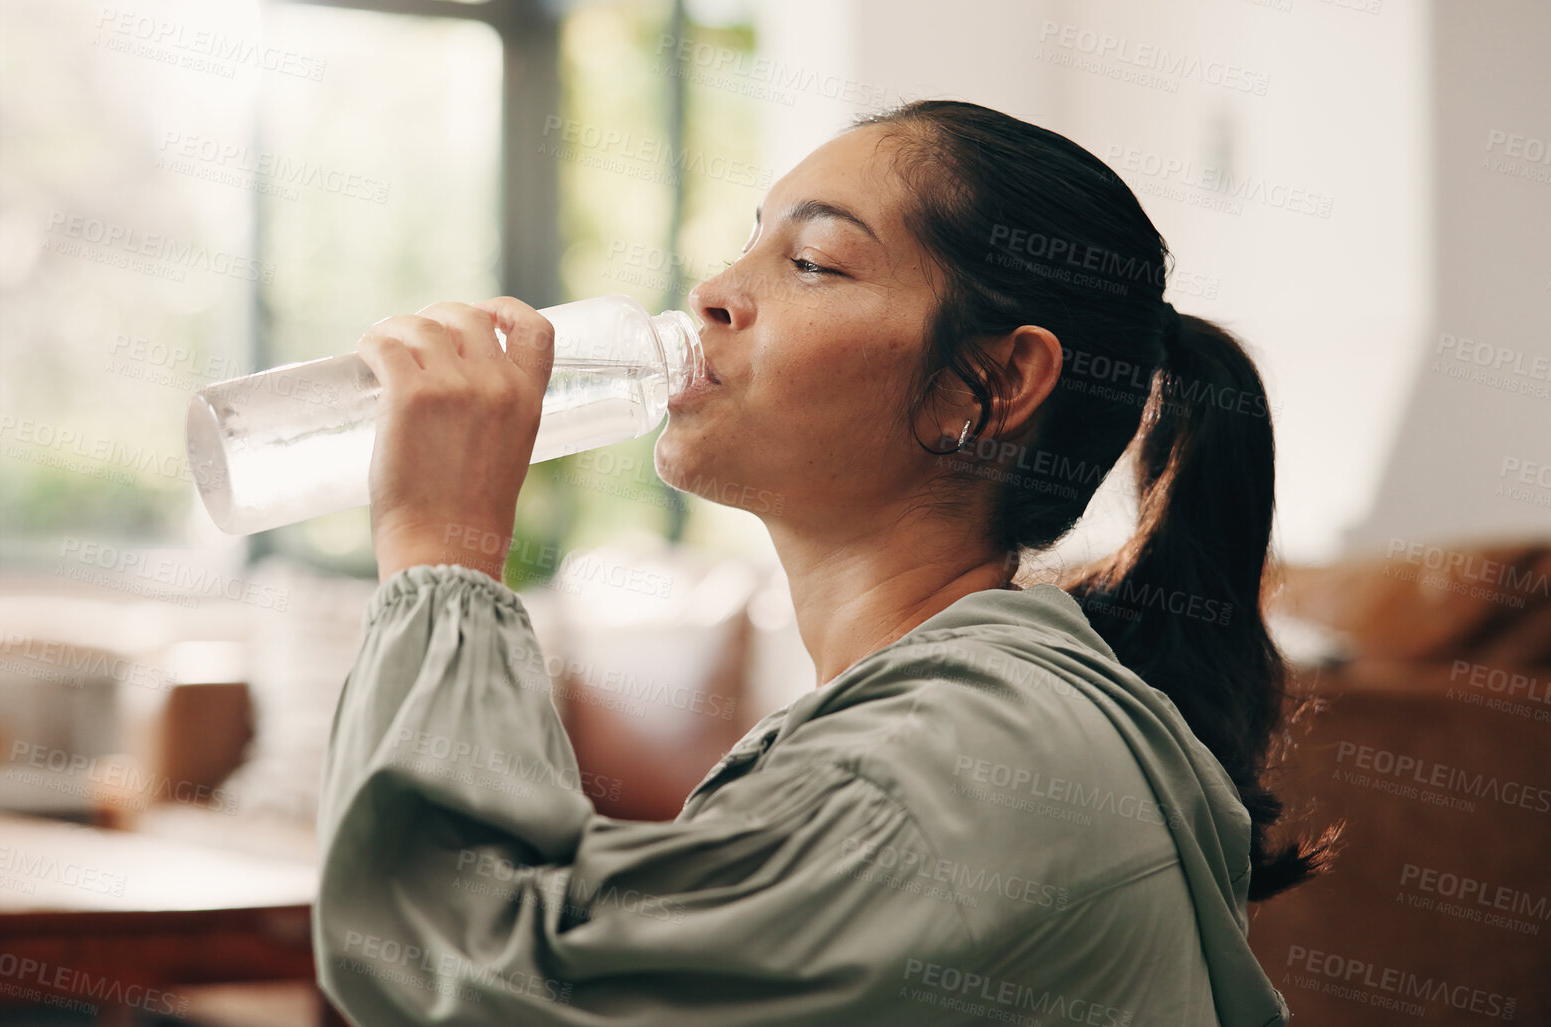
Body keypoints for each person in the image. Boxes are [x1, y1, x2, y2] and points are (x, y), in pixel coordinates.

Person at [313, 99, 1337, 1026]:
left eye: (812, 263)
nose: (712, 292)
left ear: (989, 383)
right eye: (746, 244)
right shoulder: (961, 719)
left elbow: (469, 971)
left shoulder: (964, 758)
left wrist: (442, 553)